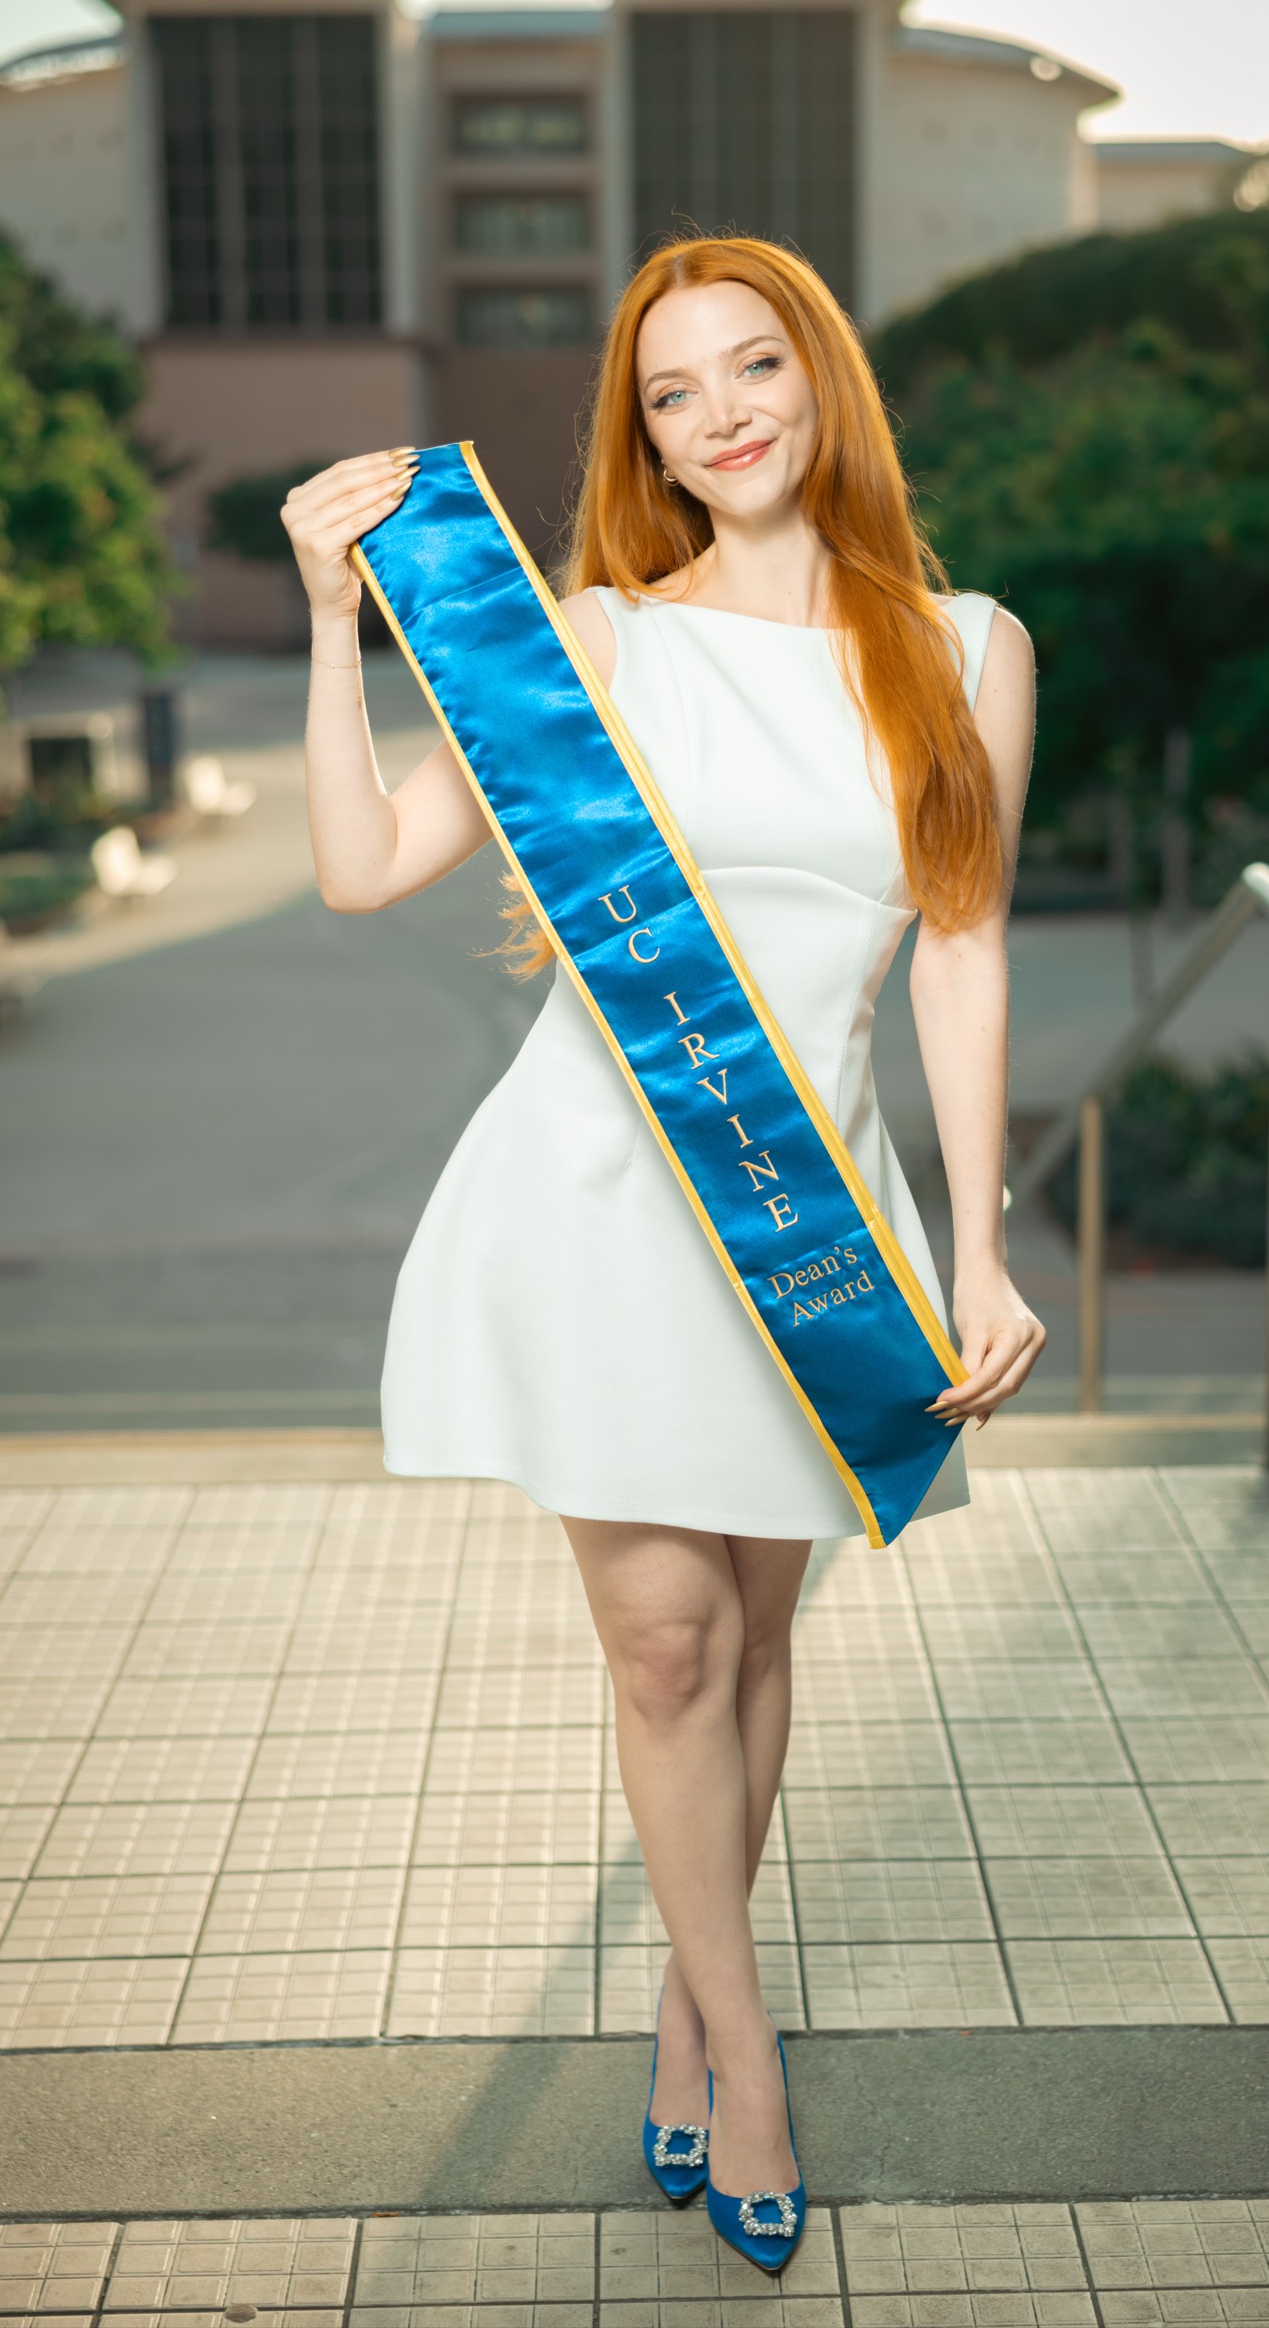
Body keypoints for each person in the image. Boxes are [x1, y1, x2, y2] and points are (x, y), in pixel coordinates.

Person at [282, 235, 1044, 2270]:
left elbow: (959, 949)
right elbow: (360, 873)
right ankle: (747, 2052)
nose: (720, 417)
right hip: (607, 1207)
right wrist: (334, 622)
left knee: (764, 1638)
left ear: (821, 382)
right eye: (670, 394)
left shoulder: (965, 646)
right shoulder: (597, 641)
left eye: (752, 367)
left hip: (808, 1211)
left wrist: (979, 1246)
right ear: (641, 439)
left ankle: (678, 2003)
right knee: (668, 1644)